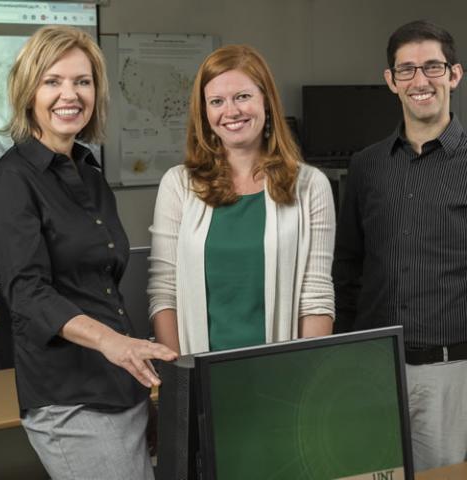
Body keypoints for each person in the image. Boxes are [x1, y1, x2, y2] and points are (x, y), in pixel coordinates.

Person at [0, 25, 177, 480]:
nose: (69, 94)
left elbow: (102, 287)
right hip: (69, 401)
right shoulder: (11, 180)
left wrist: (136, 376)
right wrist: (112, 343)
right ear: (28, 91)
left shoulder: (89, 173)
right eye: (52, 81)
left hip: (122, 389)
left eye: (82, 81)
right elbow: (27, 293)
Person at [333, 20, 467, 471]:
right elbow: (347, 267)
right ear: (391, 81)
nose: (420, 80)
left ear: (454, 74)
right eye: (406, 70)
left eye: (432, 66)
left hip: (452, 374)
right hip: (372, 371)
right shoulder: (366, 166)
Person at [148, 44, 335, 356]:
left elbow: (315, 298)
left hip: (281, 374)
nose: (231, 111)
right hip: (200, 375)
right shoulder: (178, 185)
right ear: (205, 113)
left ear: (266, 101)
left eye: (243, 97)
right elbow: (164, 294)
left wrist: (304, 377)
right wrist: (182, 375)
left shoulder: (309, 185)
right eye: (217, 101)